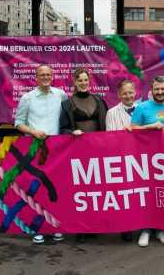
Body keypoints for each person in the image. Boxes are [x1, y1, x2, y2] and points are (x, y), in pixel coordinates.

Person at [15, 64, 67, 244]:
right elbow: (18, 123)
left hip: (57, 150)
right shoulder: (27, 98)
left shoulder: (61, 95)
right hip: (35, 149)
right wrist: (33, 132)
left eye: (48, 74)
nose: (45, 77)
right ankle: (37, 228)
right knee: (36, 190)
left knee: (56, 189)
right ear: (36, 78)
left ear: (52, 76)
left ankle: (55, 227)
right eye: (41, 75)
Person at [59, 68, 108, 242]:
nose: (83, 83)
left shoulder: (99, 101)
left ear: (89, 80)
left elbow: (106, 126)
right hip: (77, 153)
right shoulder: (67, 103)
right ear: (74, 81)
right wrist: (71, 132)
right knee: (80, 193)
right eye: (80, 80)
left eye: (86, 80)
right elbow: (62, 129)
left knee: (96, 191)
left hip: (97, 152)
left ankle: (95, 225)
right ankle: (80, 228)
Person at [131, 75, 164, 247]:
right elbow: (131, 129)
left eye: (163, 89)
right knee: (148, 195)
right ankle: (146, 229)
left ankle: (161, 229)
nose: (160, 92)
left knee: (163, 193)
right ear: (152, 90)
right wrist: (148, 127)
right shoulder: (142, 107)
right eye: (157, 89)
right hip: (145, 159)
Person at [105, 79, 138, 242]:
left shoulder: (143, 108)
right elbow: (110, 137)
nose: (128, 96)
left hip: (141, 159)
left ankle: (145, 224)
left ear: (135, 92)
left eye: (130, 92)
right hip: (122, 158)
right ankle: (126, 227)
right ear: (119, 95)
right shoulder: (111, 113)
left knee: (141, 193)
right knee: (124, 194)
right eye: (124, 93)